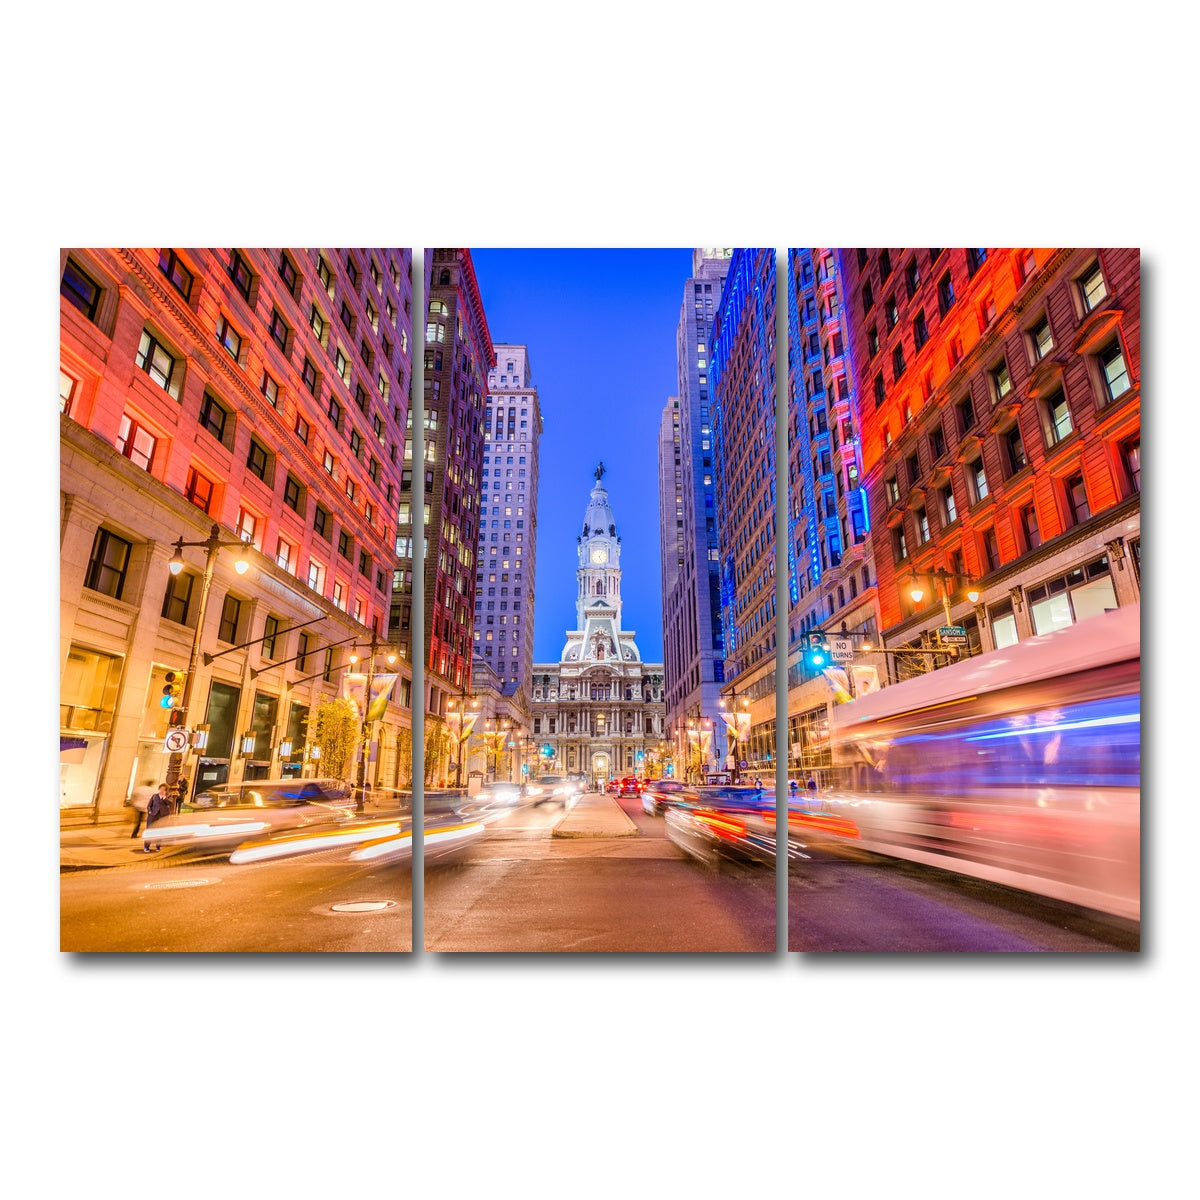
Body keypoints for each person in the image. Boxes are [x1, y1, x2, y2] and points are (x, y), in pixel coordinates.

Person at [145, 784, 172, 851]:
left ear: (166, 791)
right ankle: (146, 847)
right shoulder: (154, 796)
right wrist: (150, 812)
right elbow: (149, 805)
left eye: (163, 789)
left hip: (162, 816)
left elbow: (170, 803)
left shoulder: (168, 797)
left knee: (160, 832)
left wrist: (164, 798)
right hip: (153, 816)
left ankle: (158, 846)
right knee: (149, 831)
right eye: (161, 789)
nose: (162, 791)